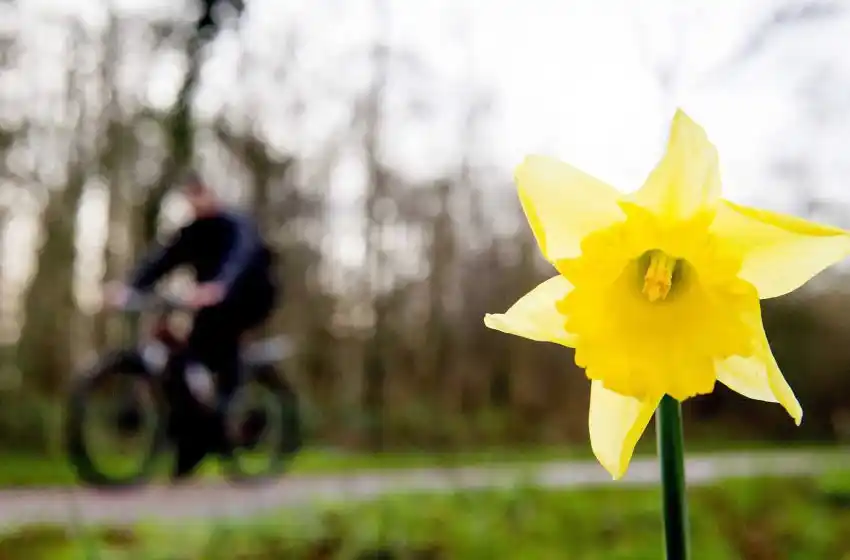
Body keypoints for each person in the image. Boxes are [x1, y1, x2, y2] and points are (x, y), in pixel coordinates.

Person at [104, 171, 277, 479]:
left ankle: (229, 413)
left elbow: (239, 258)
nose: (195, 201)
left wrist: (220, 285)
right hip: (210, 298)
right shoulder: (191, 233)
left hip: (249, 295)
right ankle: (192, 442)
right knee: (183, 354)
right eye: (189, 196)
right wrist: (130, 288)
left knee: (219, 341)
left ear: (212, 193)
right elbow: (161, 260)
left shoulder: (236, 225)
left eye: (200, 193)